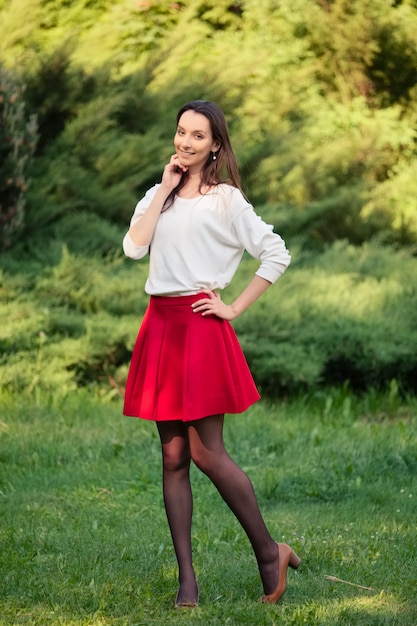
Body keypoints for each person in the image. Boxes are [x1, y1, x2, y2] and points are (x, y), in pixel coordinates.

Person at [122, 100, 300, 608]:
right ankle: (187, 581)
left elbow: (276, 252)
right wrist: (163, 188)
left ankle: (270, 553)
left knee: (206, 453)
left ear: (215, 145)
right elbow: (135, 247)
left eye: (198, 136)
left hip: (200, 328)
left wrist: (234, 307)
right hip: (161, 327)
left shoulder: (227, 201)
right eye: (181, 132)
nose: (186, 142)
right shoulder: (159, 195)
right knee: (172, 455)